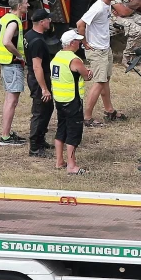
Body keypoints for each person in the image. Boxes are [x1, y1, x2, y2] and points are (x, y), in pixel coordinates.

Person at [77, 0, 123, 127]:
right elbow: (80, 24)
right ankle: (87, 117)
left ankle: (109, 111)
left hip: (105, 48)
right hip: (97, 51)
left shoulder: (107, 4)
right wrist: (84, 42)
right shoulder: (97, 7)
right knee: (99, 82)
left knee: (105, 80)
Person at [51, 29, 91, 175]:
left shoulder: (57, 56)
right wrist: (88, 73)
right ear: (72, 43)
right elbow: (86, 76)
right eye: (78, 41)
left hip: (60, 99)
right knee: (74, 132)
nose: (80, 43)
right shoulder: (74, 60)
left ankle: (59, 161)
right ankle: (72, 166)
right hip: (72, 101)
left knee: (61, 129)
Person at [0, 0, 28, 145]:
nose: (28, 5)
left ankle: (6, 134)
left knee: (9, 99)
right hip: (12, 64)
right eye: (26, 2)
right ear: (19, 5)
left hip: (5, 63)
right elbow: (7, 41)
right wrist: (19, 55)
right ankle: (5, 137)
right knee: (12, 101)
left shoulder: (5, 18)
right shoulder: (14, 21)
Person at [23, 9, 54, 158]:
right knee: (40, 111)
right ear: (42, 22)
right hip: (38, 78)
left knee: (47, 108)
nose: (50, 21)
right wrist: (44, 89)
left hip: (35, 77)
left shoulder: (29, 35)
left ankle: (41, 140)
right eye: (48, 19)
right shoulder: (38, 42)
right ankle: (34, 147)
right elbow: (37, 66)